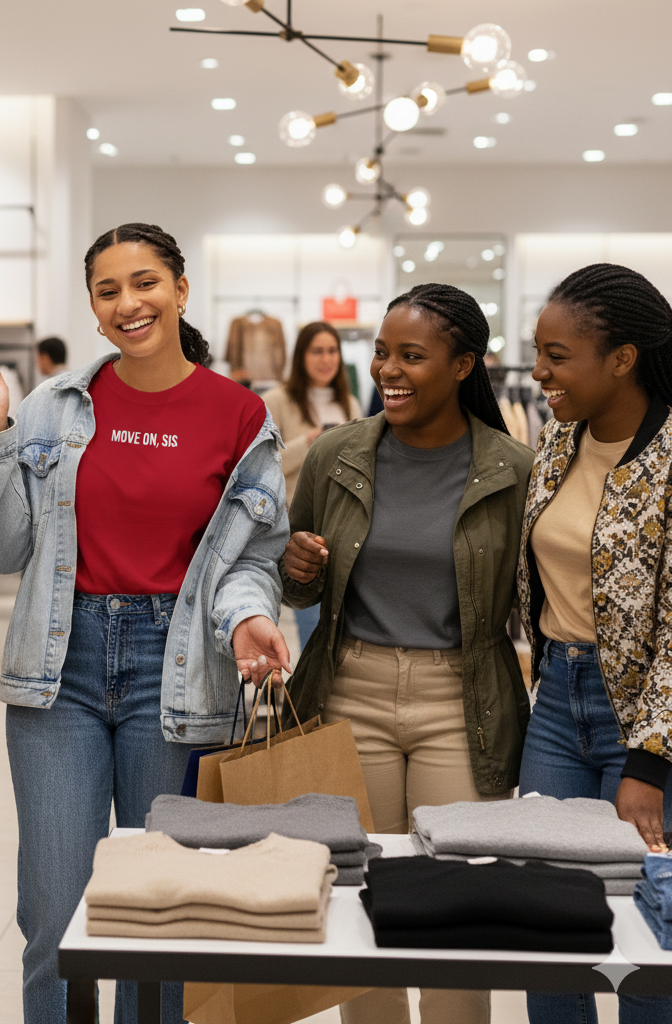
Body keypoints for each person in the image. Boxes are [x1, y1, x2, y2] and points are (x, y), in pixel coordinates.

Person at [0, 222, 290, 1024]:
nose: (129, 303)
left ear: (179, 288)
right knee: (53, 913)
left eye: (145, 283)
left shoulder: (240, 416)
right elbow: (3, 549)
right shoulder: (53, 405)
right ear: (94, 308)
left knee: (162, 908)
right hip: (57, 667)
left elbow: (253, 556)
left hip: (176, 670)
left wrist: (247, 617)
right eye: (108, 290)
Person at [281, 283, 533, 1024]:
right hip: (349, 688)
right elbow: (297, 589)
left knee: (454, 908)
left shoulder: (512, 468)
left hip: (464, 701)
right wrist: (295, 568)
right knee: (363, 898)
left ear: (462, 366)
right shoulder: (336, 455)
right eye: (383, 353)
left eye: (412, 356)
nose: (389, 369)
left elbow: (534, 602)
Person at [518, 263, 672, 1024]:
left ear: (622, 358)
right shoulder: (557, 440)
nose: (539, 371)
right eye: (537, 352)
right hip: (556, 704)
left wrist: (649, 758)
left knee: (648, 930)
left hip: (644, 722)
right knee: (545, 921)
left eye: (556, 354)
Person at [263, 321, 362, 651]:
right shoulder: (277, 400)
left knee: (344, 625)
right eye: (317, 350)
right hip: (297, 526)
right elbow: (262, 462)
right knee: (310, 619)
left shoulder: (351, 403)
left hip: (345, 524)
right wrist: (309, 442)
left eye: (332, 350)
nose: (326, 359)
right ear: (301, 356)